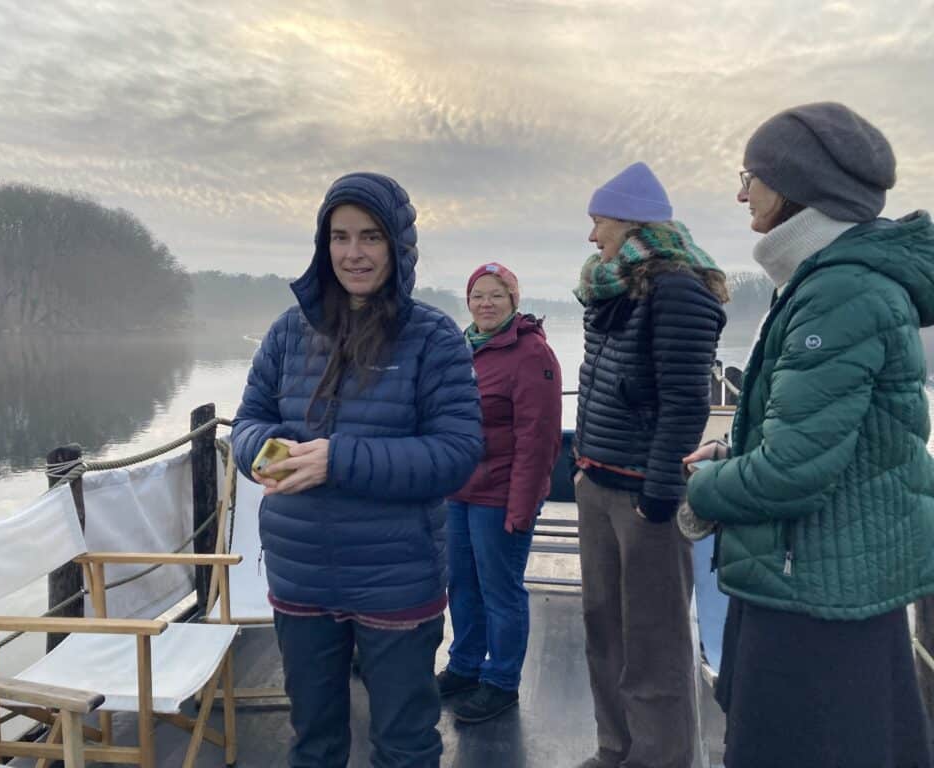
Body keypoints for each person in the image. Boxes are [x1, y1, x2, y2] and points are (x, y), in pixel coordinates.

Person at [684, 102, 934, 768]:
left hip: (816, 599)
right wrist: (736, 452)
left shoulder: (839, 292)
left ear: (798, 187)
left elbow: (795, 469)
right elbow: (822, 439)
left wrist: (706, 491)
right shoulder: (827, 281)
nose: (741, 191)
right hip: (830, 581)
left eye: (752, 175)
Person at [230, 171, 484, 768]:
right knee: (313, 742)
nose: (353, 253)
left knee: (403, 743)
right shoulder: (288, 332)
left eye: (370, 237)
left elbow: (456, 452)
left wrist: (337, 459)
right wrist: (270, 453)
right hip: (301, 577)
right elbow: (247, 424)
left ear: (399, 247)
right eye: (339, 237)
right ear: (323, 245)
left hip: (396, 578)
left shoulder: (434, 337)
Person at [572, 162, 728, 768]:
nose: (592, 236)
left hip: (645, 494)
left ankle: (660, 761)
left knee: (655, 643)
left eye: (598, 221)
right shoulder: (615, 287)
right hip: (598, 479)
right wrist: (583, 470)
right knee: (603, 629)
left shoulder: (678, 288)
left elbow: (687, 399)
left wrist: (661, 491)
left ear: (632, 221)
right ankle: (616, 750)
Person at [438, 262, 563, 723]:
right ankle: (465, 666)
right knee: (462, 584)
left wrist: (523, 505)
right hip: (461, 491)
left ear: (514, 301)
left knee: (501, 590)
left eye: (496, 295)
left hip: (503, 495)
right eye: (478, 296)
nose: (486, 304)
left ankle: (501, 681)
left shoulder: (531, 355)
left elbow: (540, 438)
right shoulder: (465, 349)